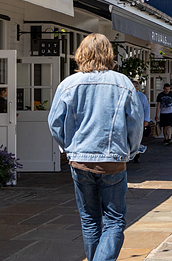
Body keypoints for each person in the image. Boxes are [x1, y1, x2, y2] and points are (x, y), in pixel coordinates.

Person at [48, 34, 144, 261]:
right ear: (109, 54)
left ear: (81, 54)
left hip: (80, 160)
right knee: (114, 220)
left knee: (90, 219)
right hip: (113, 160)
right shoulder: (122, 83)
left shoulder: (68, 84)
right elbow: (136, 123)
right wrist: (130, 151)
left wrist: (69, 148)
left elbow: (54, 123)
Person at [133, 81, 149, 163]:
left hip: (139, 120)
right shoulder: (127, 95)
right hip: (131, 120)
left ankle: (137, 155)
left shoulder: (142, 96)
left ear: (137, 87)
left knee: (138, 138)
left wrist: (146, 119)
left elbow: (146, 108)